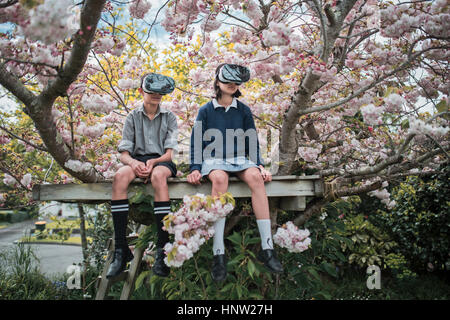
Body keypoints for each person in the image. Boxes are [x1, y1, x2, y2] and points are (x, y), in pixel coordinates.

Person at [187, 63, 283, 282]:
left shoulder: (244, 109)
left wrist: (259, 165)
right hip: (214, 160)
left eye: (235, 82)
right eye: (226, 81)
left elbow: (251, 140)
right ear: (217, 82)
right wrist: (194, 167)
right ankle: (218, 253)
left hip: (240, 159)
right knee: (219, 180)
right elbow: (196, 141)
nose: (231, 85)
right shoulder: (206, 110)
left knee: (256, 179)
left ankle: (268, 248)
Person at [107, 73, 178, 279]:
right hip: (137, 160)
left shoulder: (170, 117)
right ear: (141, 91)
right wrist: (134, 163)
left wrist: (154, 162)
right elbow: (124, 153)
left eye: (159, 92)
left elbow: (170, 152)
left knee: (158, 177)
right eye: (151, 91)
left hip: (162, 161)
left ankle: (162, 248)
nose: (156, 95)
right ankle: (121, 250)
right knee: (119, 177)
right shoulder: (132, 117)